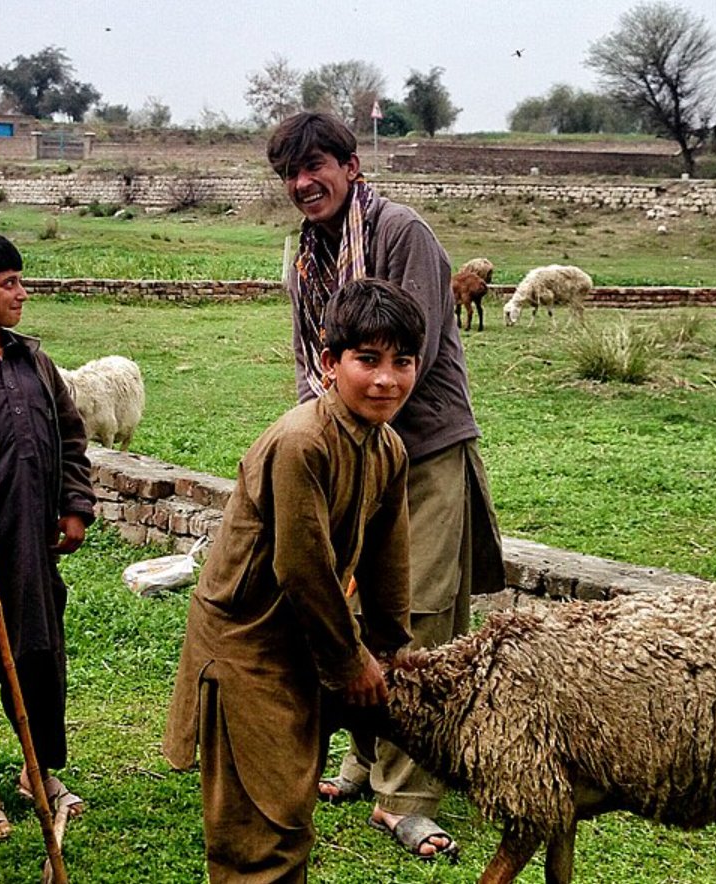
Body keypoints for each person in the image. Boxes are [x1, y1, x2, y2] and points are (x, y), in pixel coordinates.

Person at [269, 110, 505, 860]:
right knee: (358, 602)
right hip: (352, 450)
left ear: (351, 166)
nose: (305, 184)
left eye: (317, 167)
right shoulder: (305, 254)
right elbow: (315, 357)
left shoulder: (404, 233)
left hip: (422, 447)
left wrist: (356, 430)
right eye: (291, 175)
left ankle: (407, 795)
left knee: (422, 612)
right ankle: (362, 758)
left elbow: (415, 353)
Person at [163, 278, 424, 883]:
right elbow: (300, 568)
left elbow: (389, 559)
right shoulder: (302, 442)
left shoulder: (387, 446)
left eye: (402, 362)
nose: (387, 379)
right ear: (329, 363)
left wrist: (392, 648)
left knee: (291, 809)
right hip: (247, 645)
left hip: (302, 640)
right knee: (260, 826)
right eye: (368, 360)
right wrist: (351, 659)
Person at [0, 230, 96, 839]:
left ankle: (39, 769)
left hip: (35, 550)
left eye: (21, 281)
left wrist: (75, 506)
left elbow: (72, 437)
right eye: (9, 284)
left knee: (40, 659)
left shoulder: (36, 362)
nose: (22, 295)